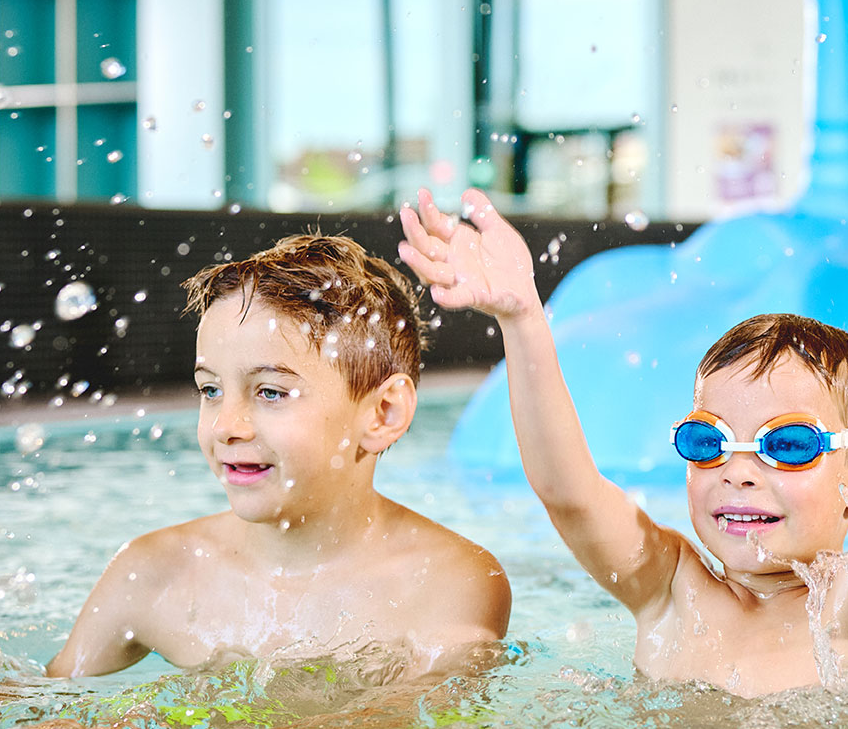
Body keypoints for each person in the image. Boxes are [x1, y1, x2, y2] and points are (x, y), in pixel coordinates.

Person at [397, 189, 848, 696]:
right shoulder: (670, 589)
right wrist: (522, 316)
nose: (737, 471)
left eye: (788, 445)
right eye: (709, 442)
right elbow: (568, 492)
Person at [45, 234, 511, 680]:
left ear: (383, 413)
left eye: (270, 392)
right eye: (210, 389)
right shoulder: (152, 572)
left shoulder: (448, 583)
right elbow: (41, 710)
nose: (227, 426)